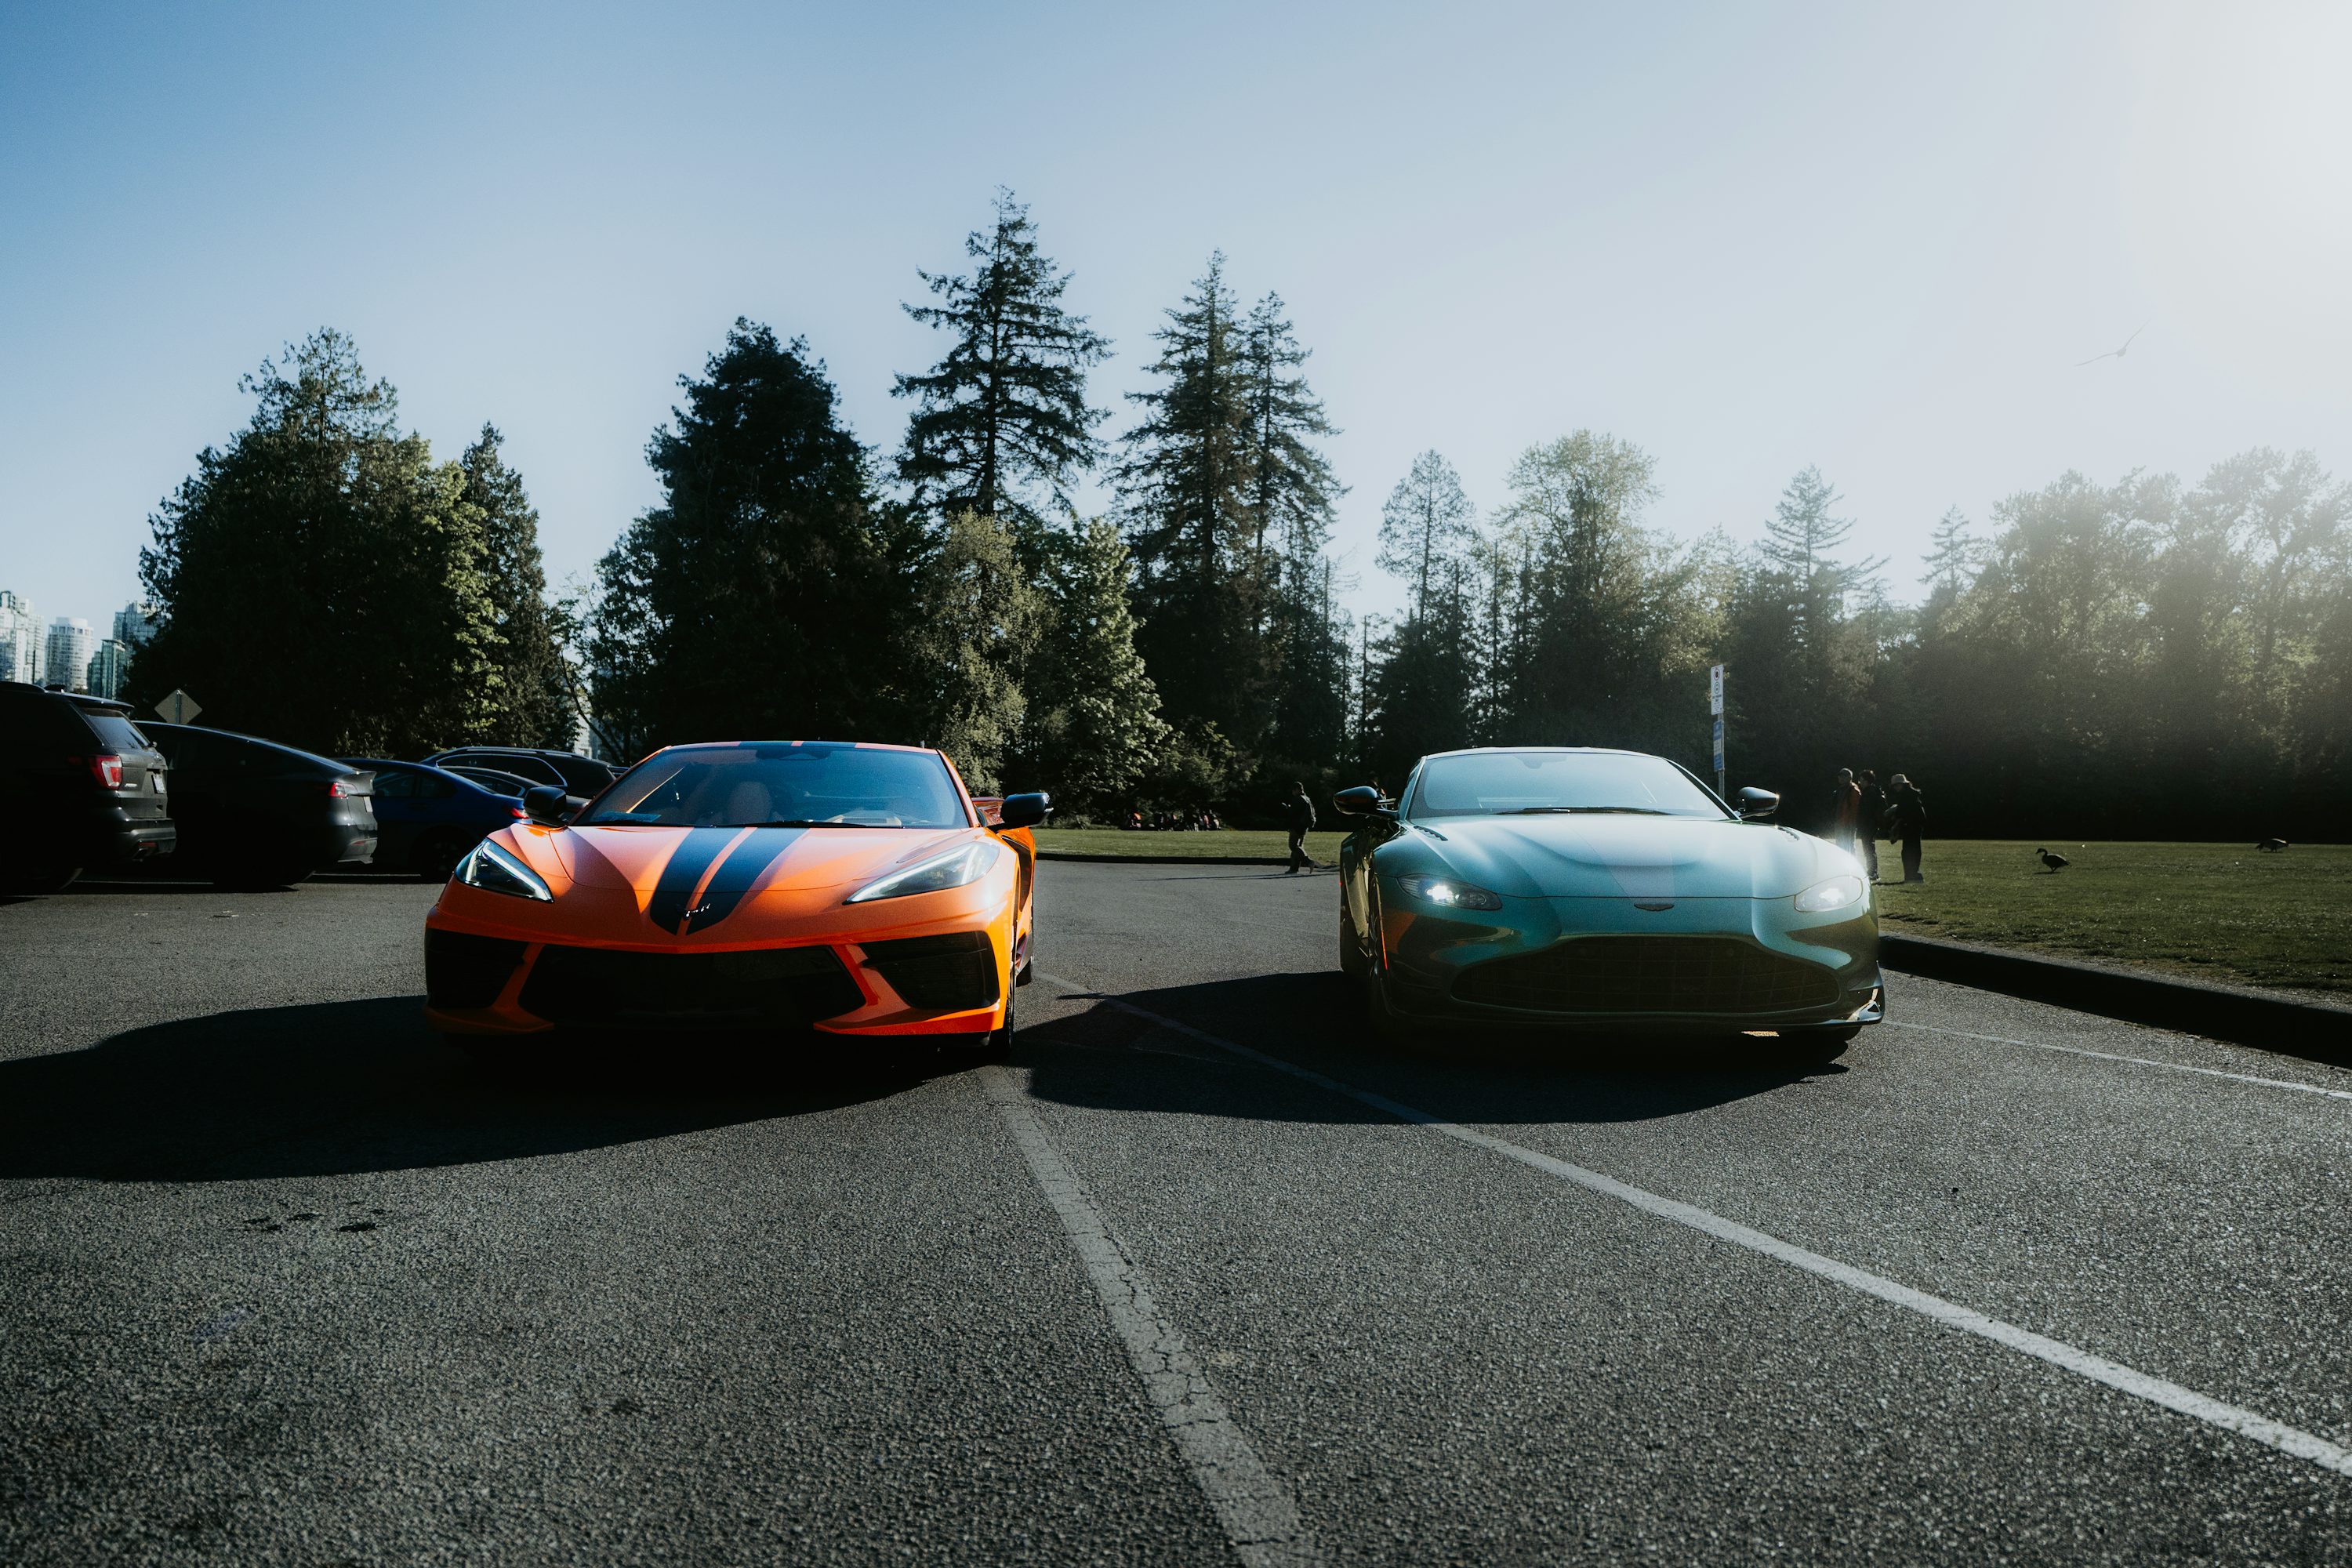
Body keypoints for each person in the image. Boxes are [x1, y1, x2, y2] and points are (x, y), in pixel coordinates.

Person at [1883, 773, 1927, 884]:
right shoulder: (1910, 794)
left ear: (1903, 784)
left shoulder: (1906, 795)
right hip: (1915, 825)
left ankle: (1912, 876)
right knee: (1912, 850)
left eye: (1897, 785)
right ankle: (1912, 875)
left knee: (1909, 852)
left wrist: (1895, 824)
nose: (1896, 788)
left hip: (1911, 826)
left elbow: (1902, 813)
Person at [1856, 769, 1886, 882]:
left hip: (1868, 825)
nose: (1860, 782)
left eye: (1861, 780)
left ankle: (1872, 872)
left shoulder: (1869, 793)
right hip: (1871, 824)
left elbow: (1866, 811)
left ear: (1866, 781)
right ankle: (1872, 871)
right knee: (1869, 848)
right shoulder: (1873, 791)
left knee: (1868, 848)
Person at [1283, 780, 1316, 874]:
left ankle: (1309, 862)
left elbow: (1293, 814)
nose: (1293, 792)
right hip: (1304, 826)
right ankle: (1294, 868)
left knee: (1293, 846)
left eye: (1293, 790)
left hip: (1297, 826)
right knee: (1298, 846)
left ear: (1297, 790)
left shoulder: (1298, 799)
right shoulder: (1307, 799)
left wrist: (1288, 809)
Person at [1830, 768, 1861, 858]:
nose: (1840, 778)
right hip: (1840, 822)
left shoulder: (1853, 790)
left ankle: (1851, 864)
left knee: (1849, 845)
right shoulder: (1840, 790)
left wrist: (1851, 822)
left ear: (1849, 778)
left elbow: (1855, 809)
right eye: (1840, 776)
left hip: (1848, 823)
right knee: (1840, 845)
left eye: (1843, 776)